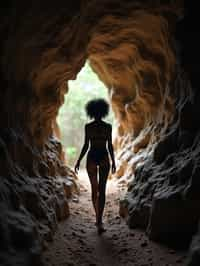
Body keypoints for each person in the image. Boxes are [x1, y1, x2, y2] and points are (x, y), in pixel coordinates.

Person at [74, 98, 116, 234]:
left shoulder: (89, 127)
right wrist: (113, 161)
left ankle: (98, 219)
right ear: (104, 112)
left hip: (92, 157)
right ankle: (99, 220)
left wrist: (79, 160)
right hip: (103, 156)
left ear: (91, 112)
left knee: (94, 189)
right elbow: (109, 145)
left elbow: (86, 145)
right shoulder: (107, 127)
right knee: (101, 190)